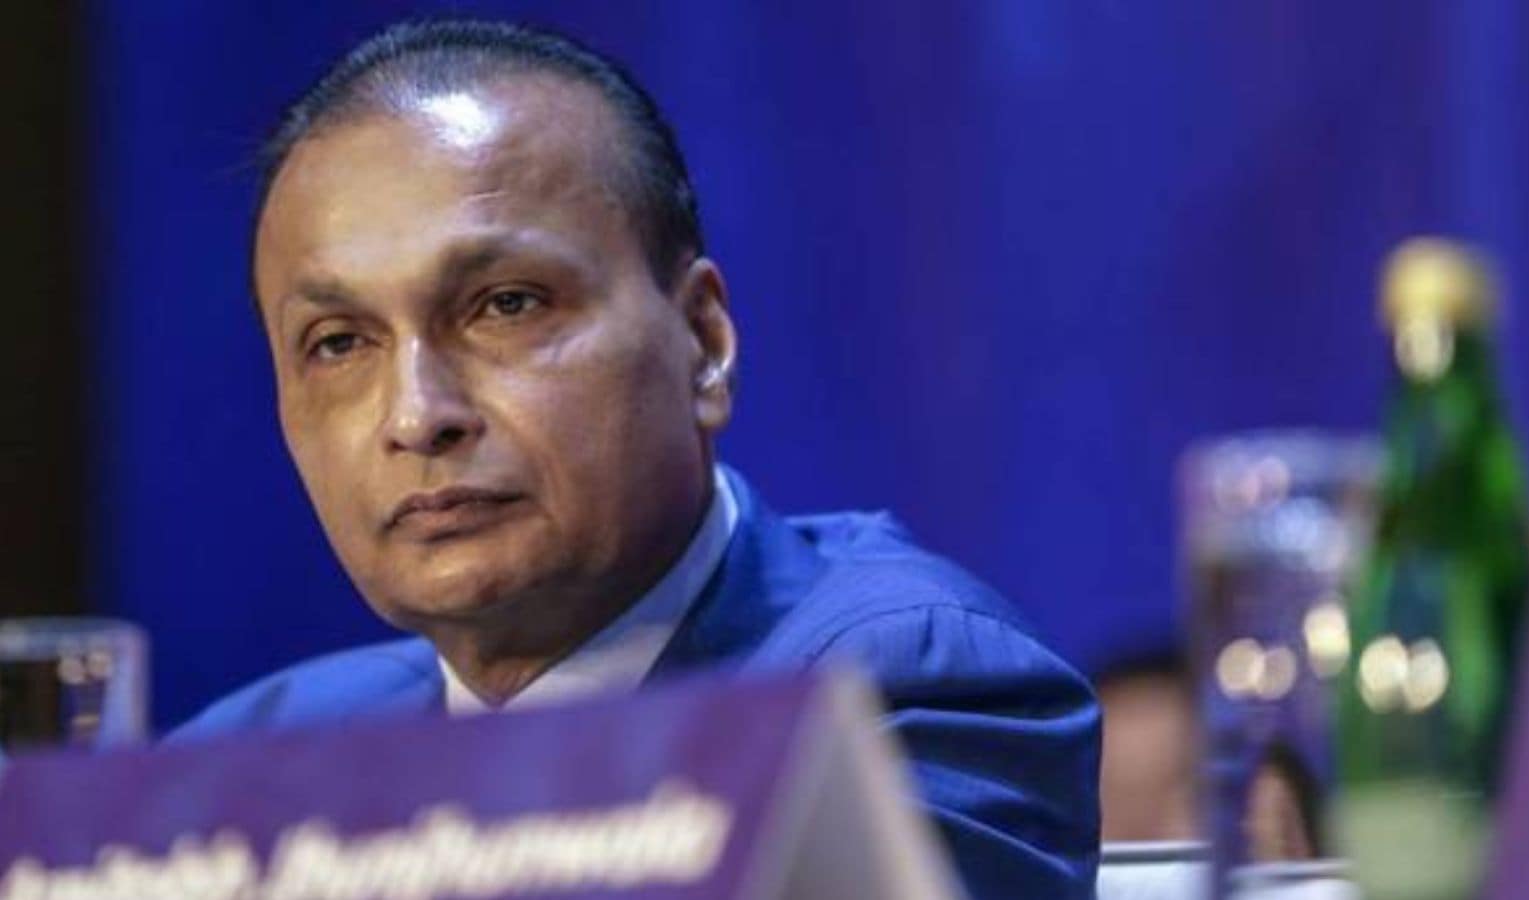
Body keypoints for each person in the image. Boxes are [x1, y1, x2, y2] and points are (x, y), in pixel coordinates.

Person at [173, 19, 1100, 898]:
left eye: (505, 305)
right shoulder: (247, 767)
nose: (417, 415)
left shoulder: (893, 692)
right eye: (338, 343)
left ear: (704, 342)